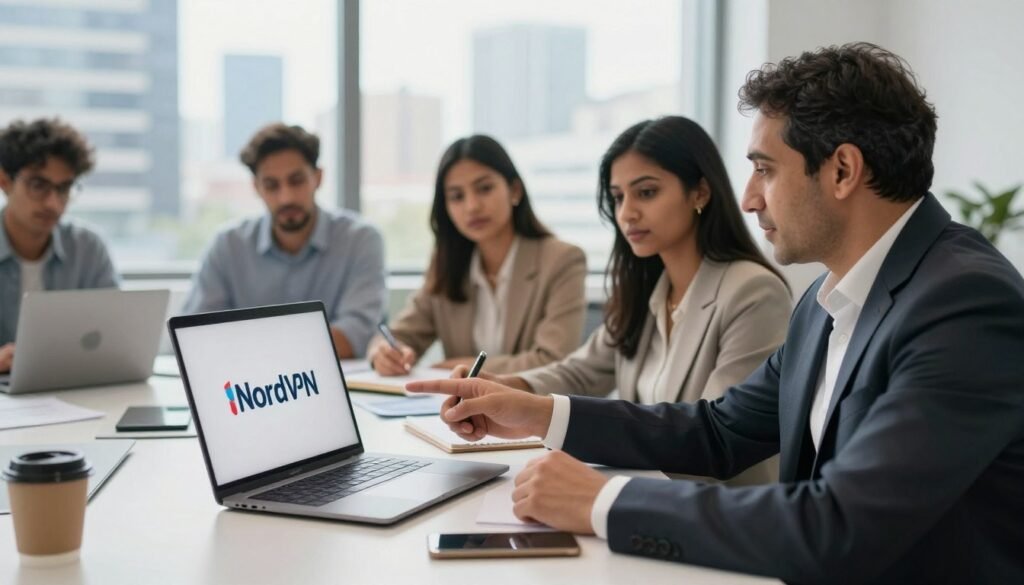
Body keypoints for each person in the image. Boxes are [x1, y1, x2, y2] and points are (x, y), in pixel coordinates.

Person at [408, 43, 1024, 583]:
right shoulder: (826, 299)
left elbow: (840, 525)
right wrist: (536, 412)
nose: (750, 196)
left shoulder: (963, 305)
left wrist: (605, 501)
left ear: (841, 170)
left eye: (764, 169)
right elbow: (717, 430)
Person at [489, 116, 791, 484]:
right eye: (618, 197)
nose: (627, 213)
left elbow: (712, 436)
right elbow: (579, 373)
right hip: (646, 495)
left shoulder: (752, 292)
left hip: (716, 512)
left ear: (700, 192)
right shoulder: (644, 292)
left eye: (646, 192)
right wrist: (502, 386)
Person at [367, 135, 586, 374]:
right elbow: (399, 335)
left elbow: (554, 360)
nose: (472, 206)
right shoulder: (447, 262)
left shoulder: (562, 260)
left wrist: (466, 367)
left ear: (514, 191)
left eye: (484, 189)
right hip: (461, 411)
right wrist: (384, 353)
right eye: (457, 196)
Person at [183, 123, 386, 358]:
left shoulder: (361, 239)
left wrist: (248, 346)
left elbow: (356, 335)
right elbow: (197, 335)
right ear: (256, 188)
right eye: (271, 185)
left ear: (318, 178)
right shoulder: (228, 245)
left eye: (297, 180)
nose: (286, 197)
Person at [0, 118, 118, 373]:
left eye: (64, 188)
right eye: (38, 185)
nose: (53, 203)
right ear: (5, 181)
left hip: (72, 389)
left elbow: (116, 337)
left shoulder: (87, 247)